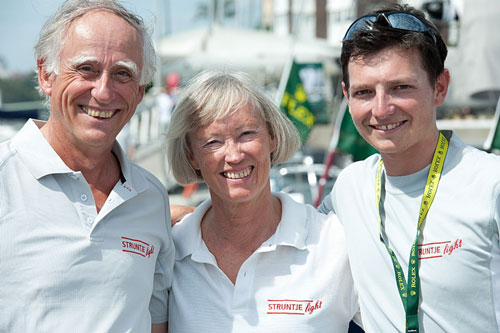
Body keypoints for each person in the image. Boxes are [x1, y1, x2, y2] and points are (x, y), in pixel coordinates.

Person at [318, 4, 500, 332]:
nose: (382, 108)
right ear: (346, 96)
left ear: (440, 87)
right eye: (363, 92)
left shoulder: (490, 183)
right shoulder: (349, 187)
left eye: (401, 87)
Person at [0, 1, 174, 332]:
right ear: (45, 74)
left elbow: (156, 322)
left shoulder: (151, 199)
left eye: (122, 73)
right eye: (86, 69)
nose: (104, 91)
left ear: (139, 93)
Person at [165, 70, 360, 331]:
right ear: (192, 156)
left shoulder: (334, 242)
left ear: (272, 137)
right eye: (213, 142)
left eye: (246, 134)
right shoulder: (169, 252)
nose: (233, 155)